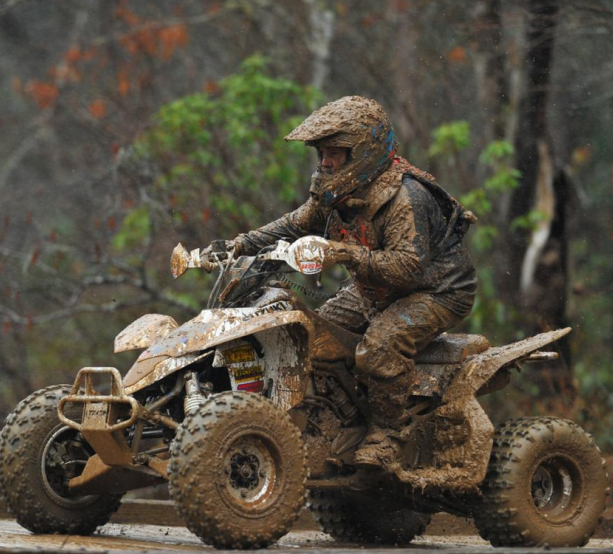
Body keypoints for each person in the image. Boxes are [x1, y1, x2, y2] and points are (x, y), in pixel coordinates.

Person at [204, 96, 477, 469]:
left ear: (363, 152)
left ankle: (388, 436)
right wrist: (238, 245)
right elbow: (292, 225)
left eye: (336, 153)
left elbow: (408, 268)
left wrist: (345, 254)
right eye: (322, 153)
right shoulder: (336, 193)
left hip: (438, 292)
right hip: (375, 288)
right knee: (311, 337)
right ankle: (339, 420)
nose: (325, 162)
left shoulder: (405, 197)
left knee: (379, 348)